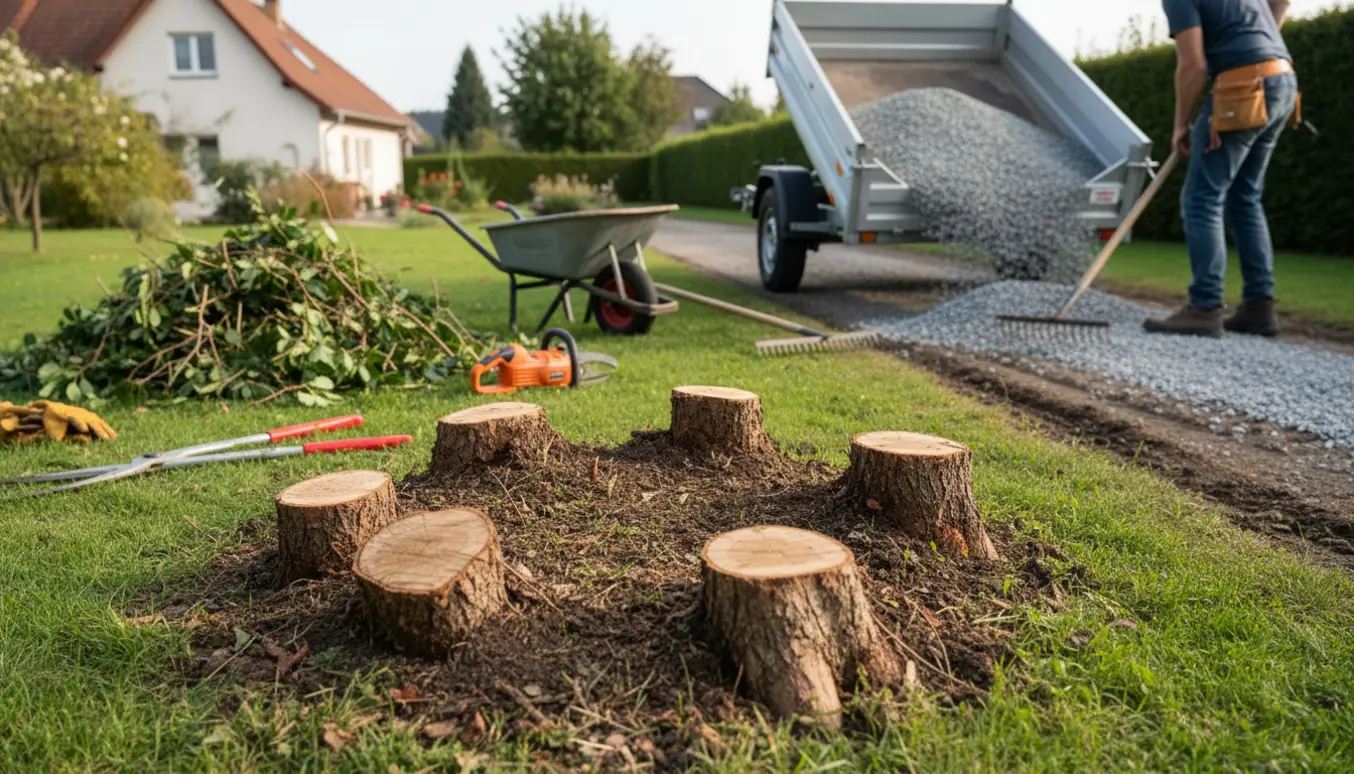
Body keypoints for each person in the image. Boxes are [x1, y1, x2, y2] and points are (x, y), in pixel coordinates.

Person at [1143, 0, 1298, 338]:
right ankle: (1259, 307)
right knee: (1245, 197)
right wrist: (1260, 48)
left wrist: (1179, 124)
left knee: (1202, 198)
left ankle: (1204, 307)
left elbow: (1193, 65)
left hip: (1244, 86)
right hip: (1283, 80)